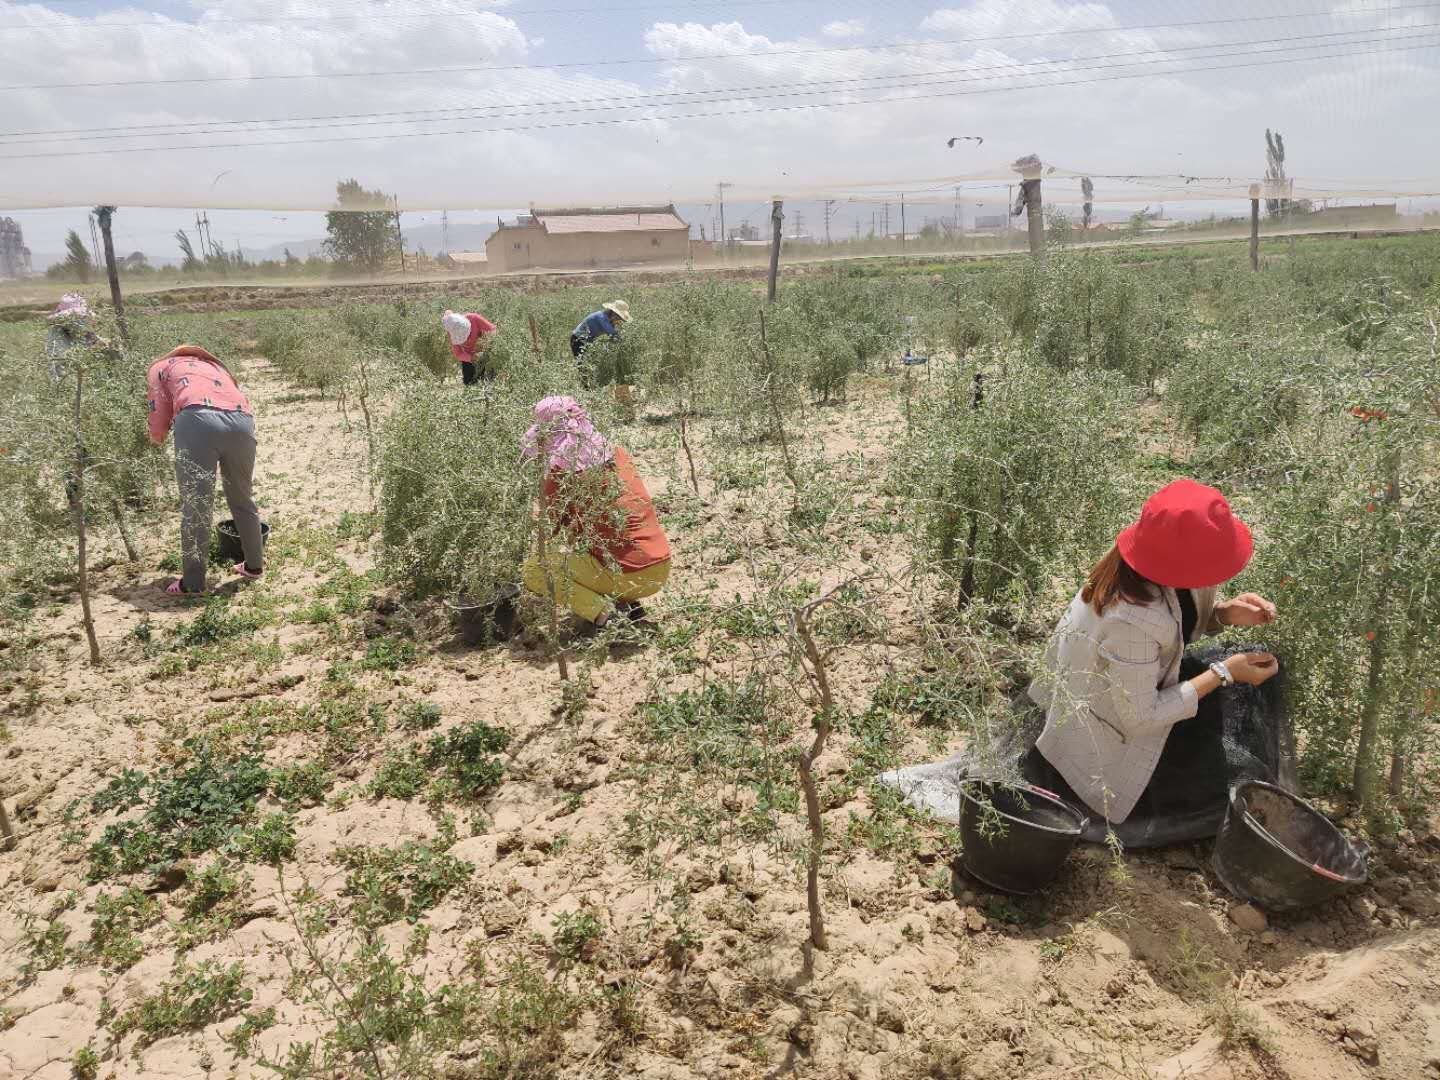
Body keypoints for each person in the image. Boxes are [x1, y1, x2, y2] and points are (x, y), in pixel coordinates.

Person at [1024, 479, 1280, 826]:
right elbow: (1141, 717)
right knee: (1218, 781)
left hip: (1124, 692)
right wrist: (1224, 673)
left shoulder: (1151, 562)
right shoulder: (1133, 618)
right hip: (1105, 737)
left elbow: (1179, 621)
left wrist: (1224, 614)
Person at [520, 395, 669, 627]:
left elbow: (552, 531)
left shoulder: (561, 477)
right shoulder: (618, 453)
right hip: (660, 565)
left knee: (534, 569)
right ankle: (626, 603)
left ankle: (608, 615)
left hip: (631, 574)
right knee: (604, 545)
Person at [147, 345, 264, 596]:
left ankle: (193, 582)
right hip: (242, 422)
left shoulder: (161, 368)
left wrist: (157, 437)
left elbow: (157, 414)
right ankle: (254, 566)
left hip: (197, 420)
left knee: (197, 504)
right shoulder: (216, 367)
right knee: (243, 498)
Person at [45, 293, 103, 382]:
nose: (80, 321)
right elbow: (59, 369)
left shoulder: (83, 331)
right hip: (67, 382)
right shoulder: (56, 336)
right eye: (76, 318)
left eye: (82, 317)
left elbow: (95, 341)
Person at [442, 309, 497, 385]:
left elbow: (493, 330)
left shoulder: (474, 318)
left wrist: (487, 345)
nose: (466, 339)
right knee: (469, 382)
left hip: (484, 353)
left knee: (488, 379)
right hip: (468, 356)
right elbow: (458, 353)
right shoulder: (452, 332)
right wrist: (471, 358)